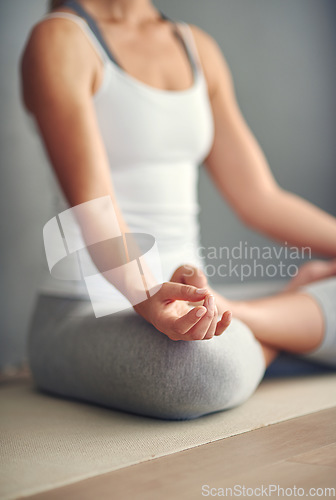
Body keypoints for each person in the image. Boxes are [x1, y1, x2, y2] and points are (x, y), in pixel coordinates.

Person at [21, 0, 336, 420]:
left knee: (205, 343)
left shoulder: (196, 47)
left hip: (198, 303)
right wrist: (147, 294)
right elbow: (95, 210)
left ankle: (244, 321)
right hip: (89, 308)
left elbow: (260, 198)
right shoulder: (61, 38)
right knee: (195, 372)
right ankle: (284, 328)